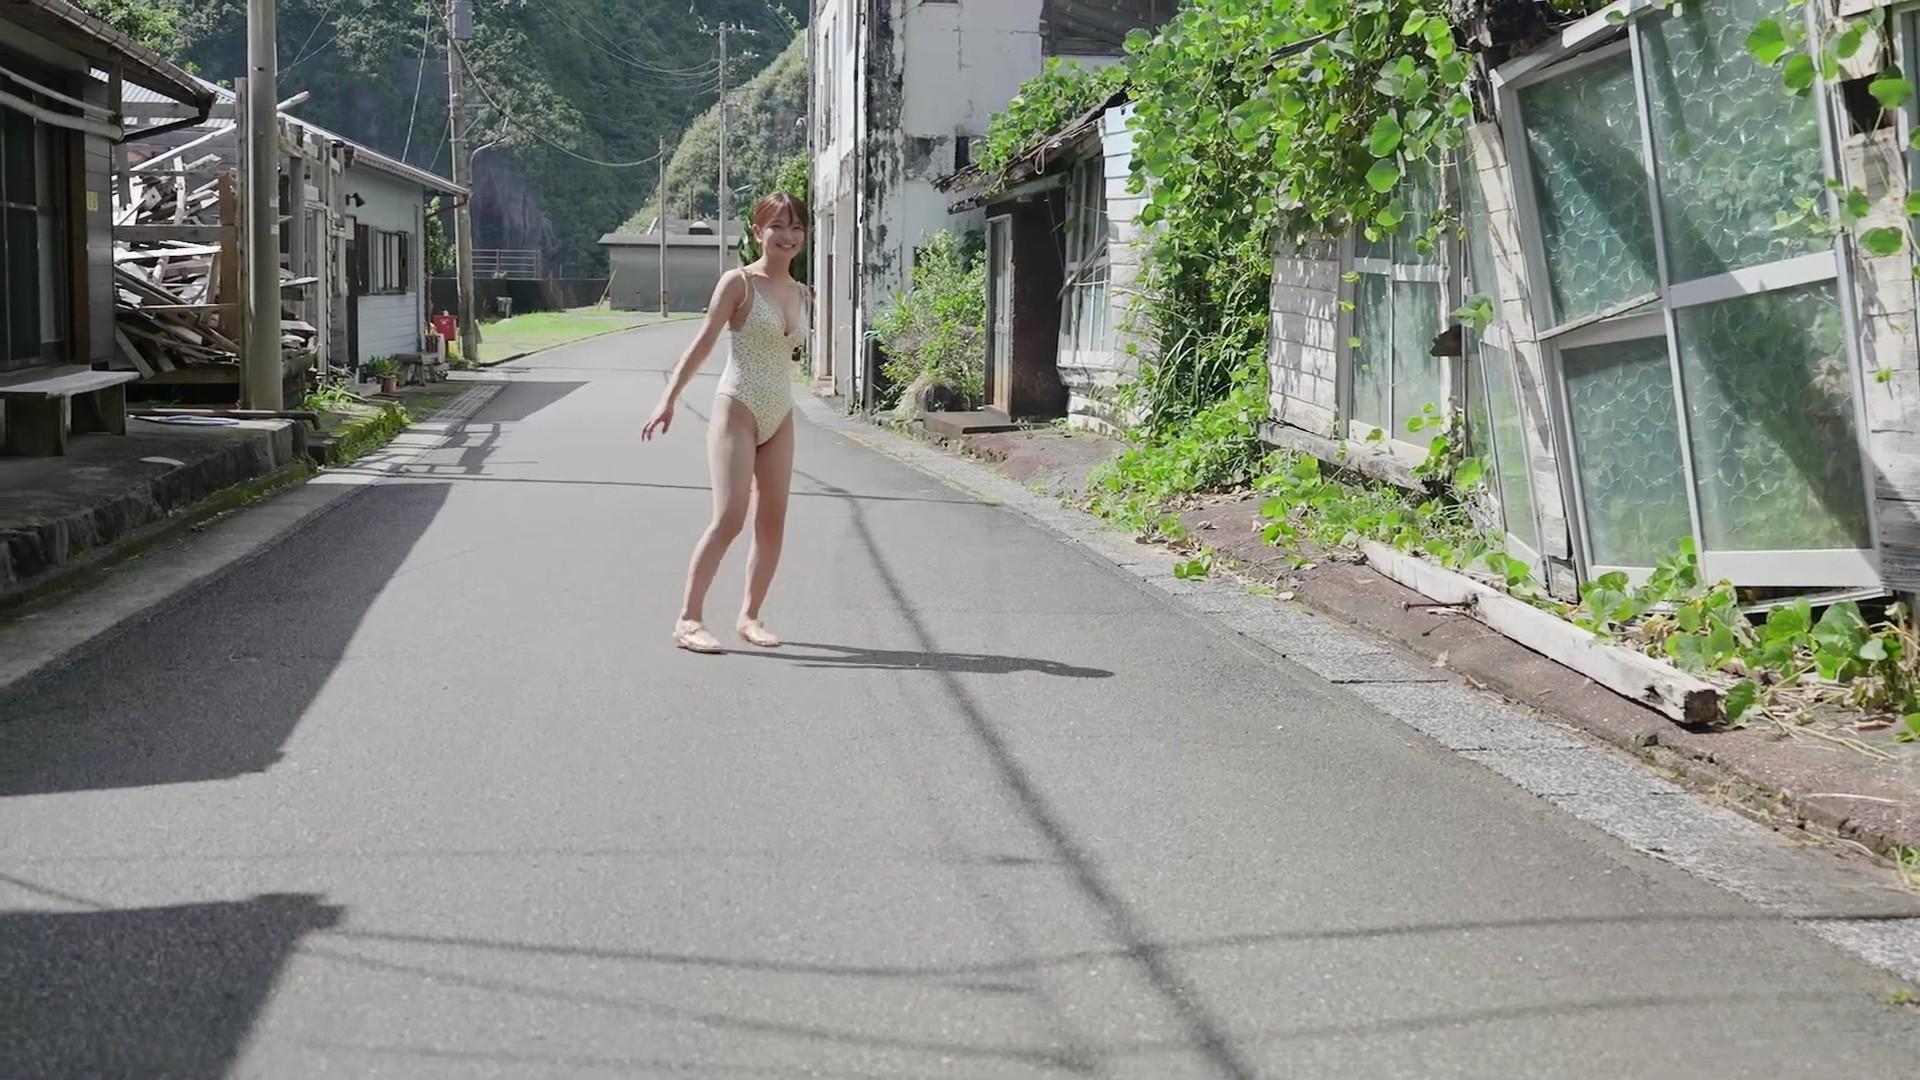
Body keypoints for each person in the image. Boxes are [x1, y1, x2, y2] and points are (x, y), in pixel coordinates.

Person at [642, 193, 810, 654]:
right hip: (737, 408)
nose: (788, 236)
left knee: (772, 521)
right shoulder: (739, 284)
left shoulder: (803, 293)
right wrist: (669, 399)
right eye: (777, 226)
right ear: (757, 232)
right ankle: (688, 620)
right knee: (731, 516)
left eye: (796, 227)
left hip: (781, 413)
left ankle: (750, 617)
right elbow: (703, 343)